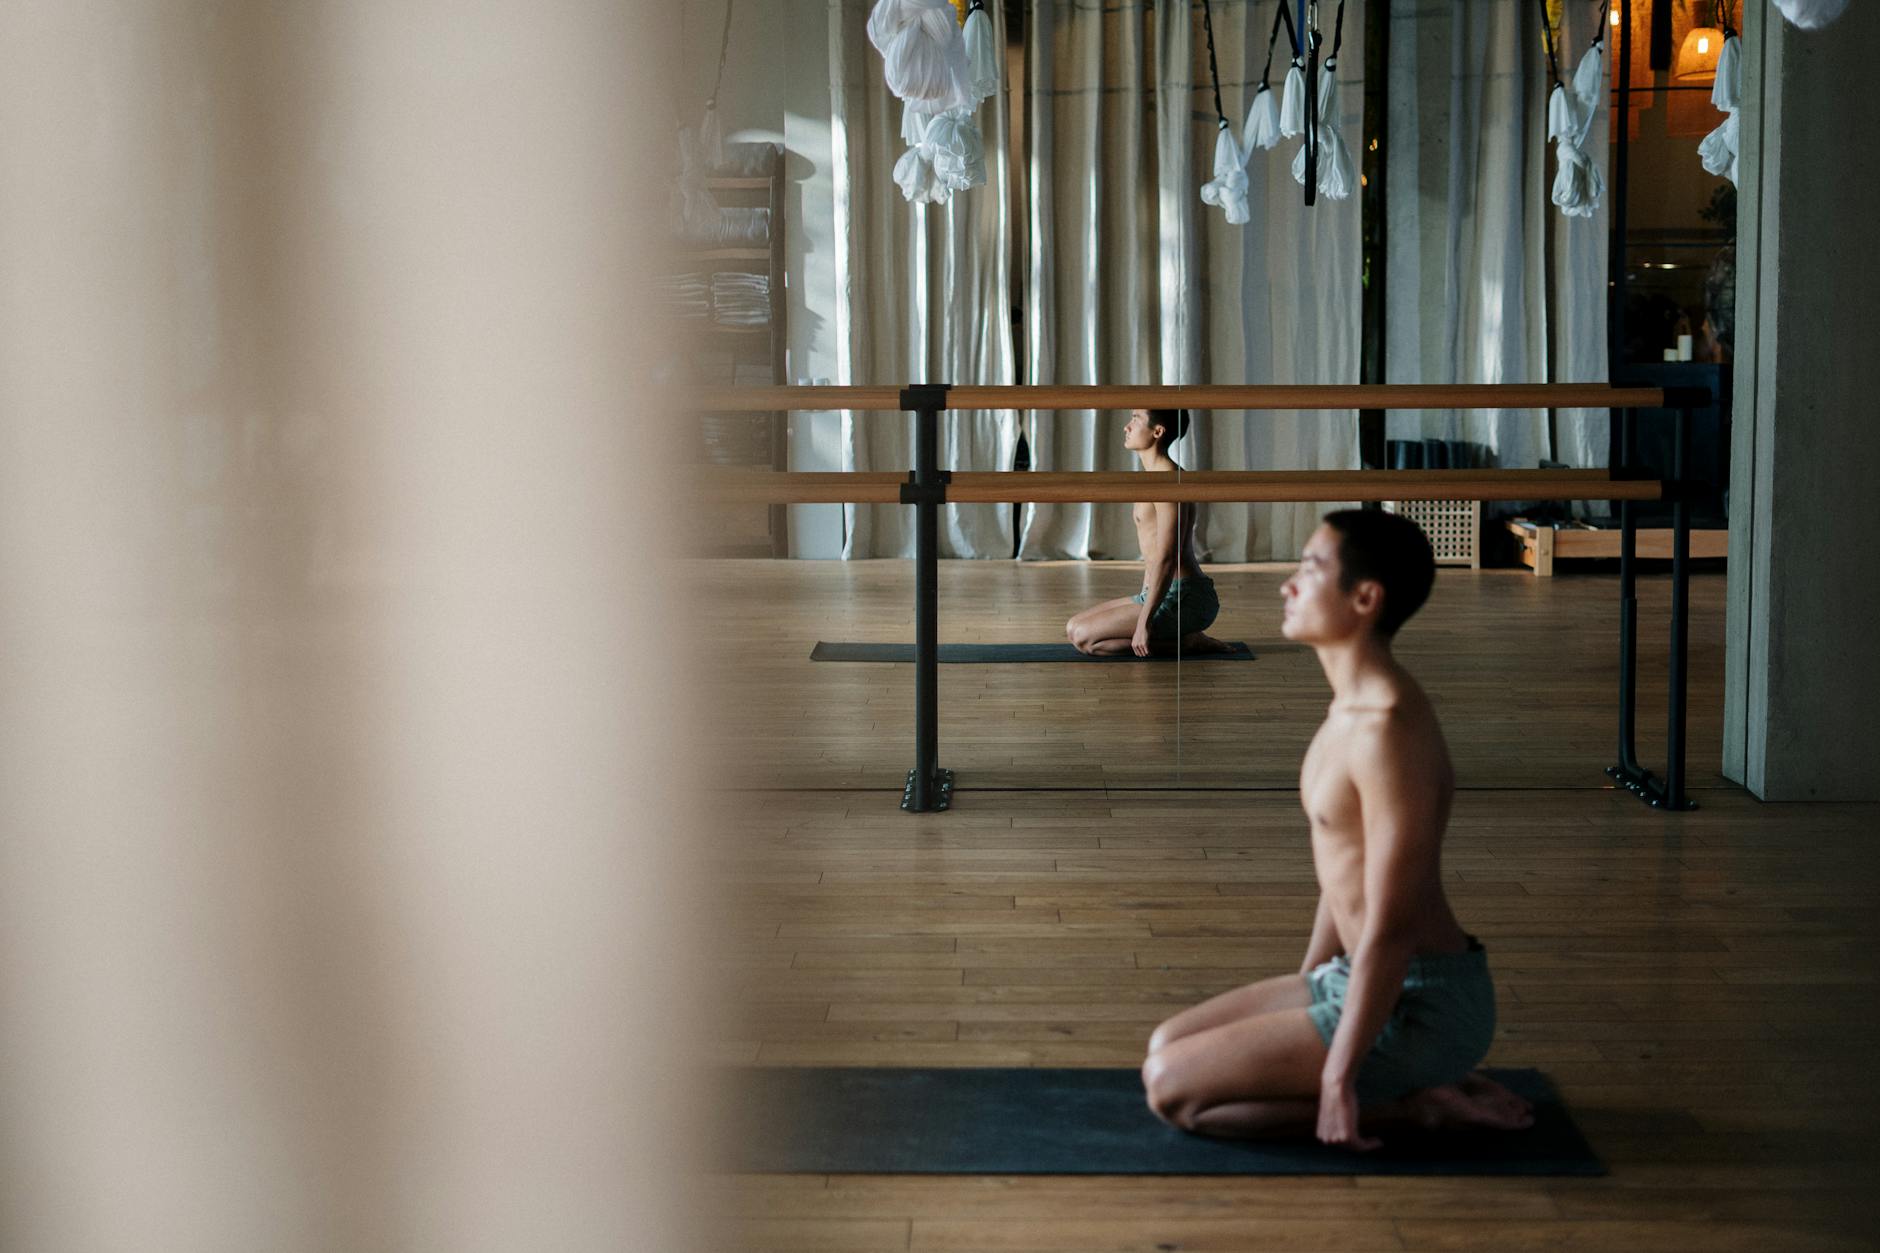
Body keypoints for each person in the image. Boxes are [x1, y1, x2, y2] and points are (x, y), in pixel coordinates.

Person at [1139, 510, 1535, 1148]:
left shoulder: (1387, 732)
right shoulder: (1348, 706)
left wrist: (1337, 1076)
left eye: (1311, 568)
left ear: (1365, 598)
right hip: (1358, 973)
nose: (1288, 585)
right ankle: (1406, 1083)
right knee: (1166, 1044)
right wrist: (1308, 991)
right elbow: (1343, 870)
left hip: (1421, 1002)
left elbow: (1393, 924)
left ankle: (1418, 1108)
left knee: (1171, 1090)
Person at [1063, 408, 1229, 657]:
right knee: (1073, 627)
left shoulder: (1169, 481)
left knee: (1085, 639)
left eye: (1136, 419)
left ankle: (1189, 642)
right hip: (1158, 592)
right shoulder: (1153, 477)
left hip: (1185, 598)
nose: (1127, 426)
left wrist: (1144, 622)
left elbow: (1167, 557)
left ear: (1157, 431)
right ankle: (1179, 636)